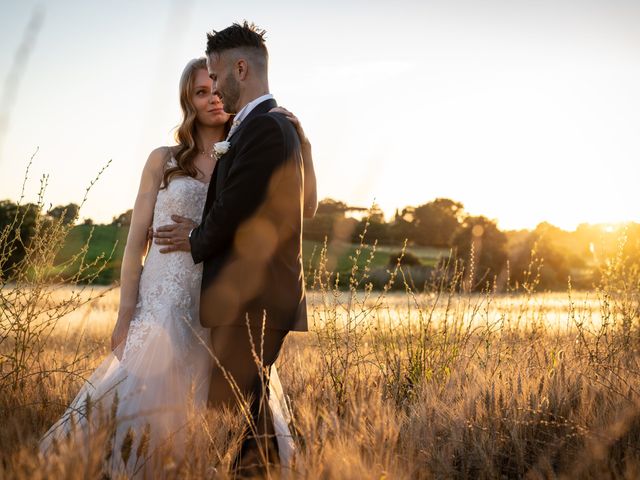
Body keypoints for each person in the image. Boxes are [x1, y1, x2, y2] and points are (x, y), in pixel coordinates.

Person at [39, 55, 316, 477]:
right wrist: (126, 314)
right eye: (200, 92)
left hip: (216, 299)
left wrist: (304, 147)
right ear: (188, 100)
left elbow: (292, 212)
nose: (212, 99)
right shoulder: (164, 158)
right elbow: (136, 244)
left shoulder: (245, 152)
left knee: (213, 409)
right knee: (140, 404)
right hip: (162, 298)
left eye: (215, 89)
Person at [154, 21, 313, 476]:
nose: (216, 88)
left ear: (240, 69)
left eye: (217, 76)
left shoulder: (264, 127)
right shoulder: (260, 126)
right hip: (256, 301)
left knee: (242, 415)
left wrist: (192, 240)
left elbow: (235, 210)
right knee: (250, 419)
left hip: (254, 300)